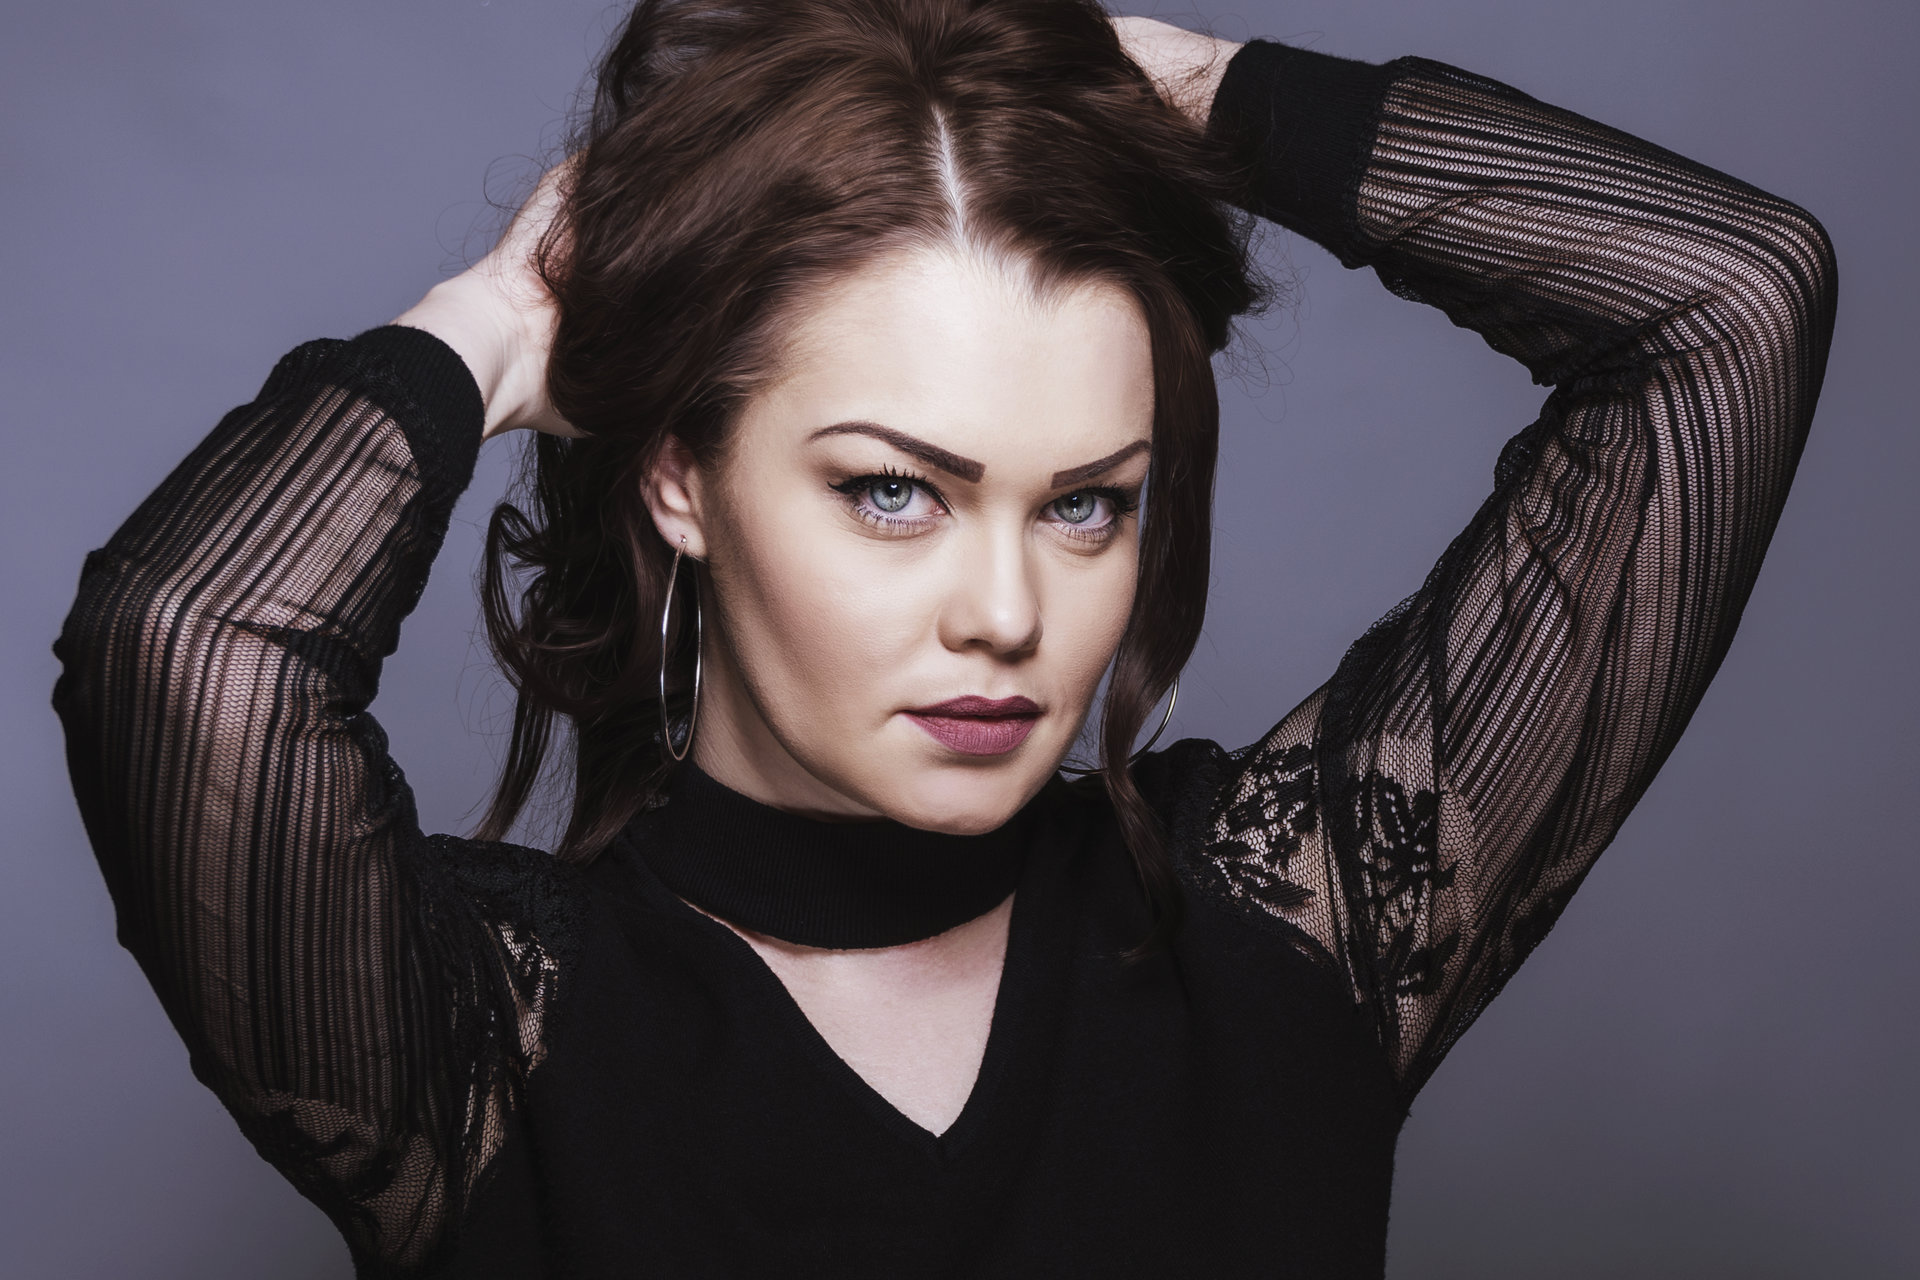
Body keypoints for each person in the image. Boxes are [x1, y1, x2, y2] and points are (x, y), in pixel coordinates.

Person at [50, 0, 1835, 1274]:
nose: (1007, 614)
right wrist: (491, 327)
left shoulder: (1299, 926)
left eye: (1088, 505)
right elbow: (185, 645)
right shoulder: (487, 1045)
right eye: (895, 490)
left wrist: (1105, 78)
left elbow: (1728, 302)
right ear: (678, 472)